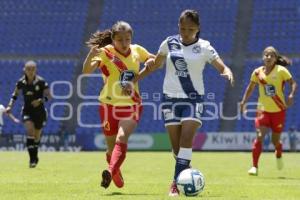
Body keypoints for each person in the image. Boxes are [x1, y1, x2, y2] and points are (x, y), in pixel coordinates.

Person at [137, 10, 234, 196]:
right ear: (178, 27)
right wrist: (135, 79)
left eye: (190, 29)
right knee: (176, 148)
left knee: (186, 138)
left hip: (194, 99)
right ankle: (186, 171)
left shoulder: (205, 47)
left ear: (198, 28)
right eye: (182, 28)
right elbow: (155, 65)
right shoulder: (169, 43)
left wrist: (227, 71)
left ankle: (175, 183)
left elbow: (221, 66)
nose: (186, 32)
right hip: (170, 99)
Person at [82, 21, 154, 189]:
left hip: (132, 104)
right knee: (110, 148)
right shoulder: (106, 53)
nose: (124, 43)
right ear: (113, 39)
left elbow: (154, 58)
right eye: (120, 39)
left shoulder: (137, 50)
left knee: (122, 138)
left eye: (127, 39)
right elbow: (86, 71)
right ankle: (114, 169)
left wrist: (150, 60)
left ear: (131, 39)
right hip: (108, 105)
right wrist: (90, 55)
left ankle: (109, 170)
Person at [240, 46, 297, 176]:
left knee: (275, 141)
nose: (268, 57)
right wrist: (243, 102)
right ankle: (254, 167)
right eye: (266, 55)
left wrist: (291, 95)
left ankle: (279, 150)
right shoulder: (257, 72)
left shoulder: (281, 71)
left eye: (271, 55)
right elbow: (250, 88)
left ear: (275, 58)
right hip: (263, 110)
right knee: (260, 136)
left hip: (278, 110)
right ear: (263, 57)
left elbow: (293, 83)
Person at [6, 60, 51, 168]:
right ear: (24, 70)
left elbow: (49, 96)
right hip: (27, 111)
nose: (30, 71)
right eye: (28, 69)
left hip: (40, 112)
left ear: (36, 70)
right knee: (30, 131)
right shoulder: (21, 82)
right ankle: (32, 160)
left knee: (36, 136)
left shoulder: (41, 82)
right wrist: (10, 105)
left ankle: (35, 155)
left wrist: (39, 101)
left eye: (32, 69)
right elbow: (14, 95)